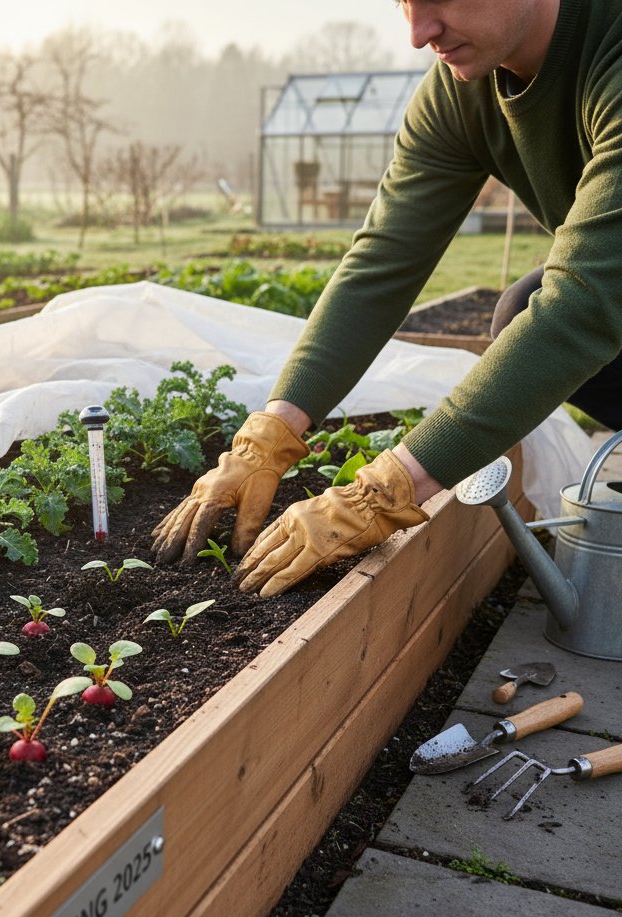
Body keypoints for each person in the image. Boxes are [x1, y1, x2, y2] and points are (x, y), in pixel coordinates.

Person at [152, 0, 622, 596]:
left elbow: (584, 300)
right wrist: (269, 434)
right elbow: (383, 261)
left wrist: (387, 489)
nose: (419, 34)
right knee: (520, 309)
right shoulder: (460, 89)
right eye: (404, 4)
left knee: (551, 311)